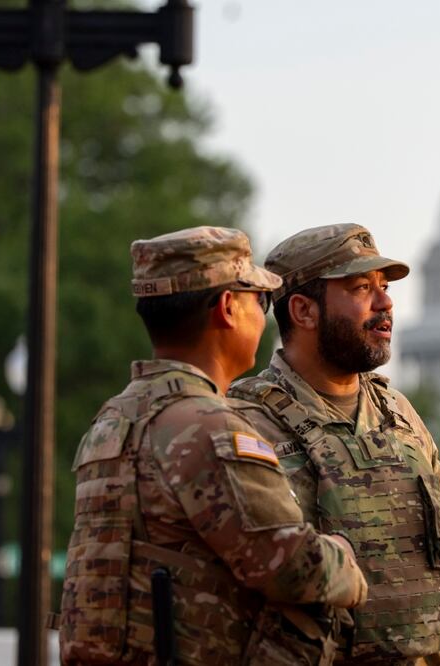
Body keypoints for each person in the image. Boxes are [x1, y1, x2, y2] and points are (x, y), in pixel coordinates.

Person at [58, 226, 368, 665]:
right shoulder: (210, 427)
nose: (264, 318)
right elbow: (289, 567)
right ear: (227, 307)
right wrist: (345, 559)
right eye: (259, 301)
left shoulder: (112, 419)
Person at [228, 223, 440, 665]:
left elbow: (436, 499)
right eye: (362, 288)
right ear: (304, 312)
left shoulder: (398, 412)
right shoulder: (245, 423)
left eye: (383, 287)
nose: (386, 303)